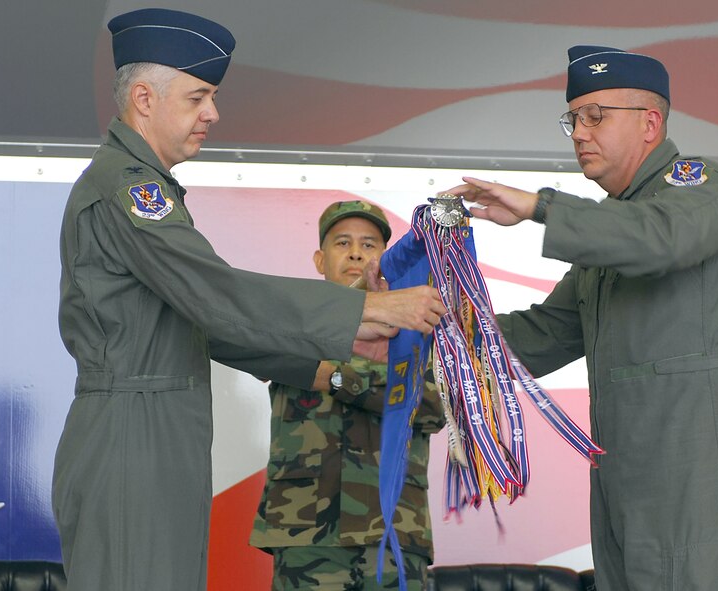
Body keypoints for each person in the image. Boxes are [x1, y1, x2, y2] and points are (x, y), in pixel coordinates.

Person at [52, 9, 444, 591]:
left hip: (156, 433)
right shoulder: (128, 189)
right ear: (143, 98)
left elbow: (214, 331)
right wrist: (367, 309)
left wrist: (330, 361)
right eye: (198, 96)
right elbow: (217, 295)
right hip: (134, 436)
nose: (213, 113)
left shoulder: (145, 186)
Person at [445, 46, 718, 590]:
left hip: (694, 473)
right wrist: (437, 330)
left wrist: (540, 207)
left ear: (651, 123)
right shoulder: (612, 229)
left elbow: (660, 239)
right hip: (623, 476)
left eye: (596, 116)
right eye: (573, 118)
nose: (578, 132)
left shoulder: (699, 187)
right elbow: (546, 333)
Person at [249, 200, 444, 590]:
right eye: (342, 243)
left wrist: (338, 377)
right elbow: (255, 349)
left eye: (369, 244)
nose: (356, 252)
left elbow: (433, 409)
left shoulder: (417, 328)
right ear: (320, 260)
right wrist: (378, 377)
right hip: (305, 528)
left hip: (393, 529)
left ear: (385, 259)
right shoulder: (289, 321)